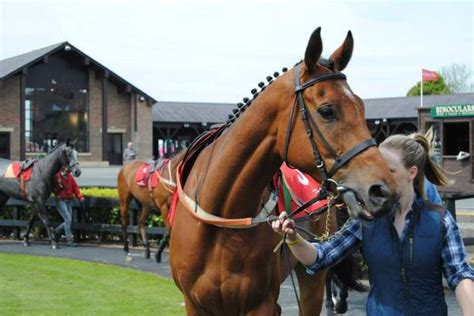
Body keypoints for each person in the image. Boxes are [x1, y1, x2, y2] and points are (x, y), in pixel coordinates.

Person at [272, 132, 474, 315]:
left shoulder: (440, 221)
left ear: (412, 173)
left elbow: (459, 274)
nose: (381, 177)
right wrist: (293, 238)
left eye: (390, 170)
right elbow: (321, 256)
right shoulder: (367, 220)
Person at [53, 166, 84, 247]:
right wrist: (58, 184)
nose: (69, 170)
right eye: (67, 169)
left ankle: (56, 232)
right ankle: (69, 241)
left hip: (69, 200)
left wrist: (80, 196)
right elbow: (54, 189)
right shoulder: (57, 176)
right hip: (61, 200)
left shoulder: (70, 176)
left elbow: (75, 187)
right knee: (68, 219)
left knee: (68, 220)